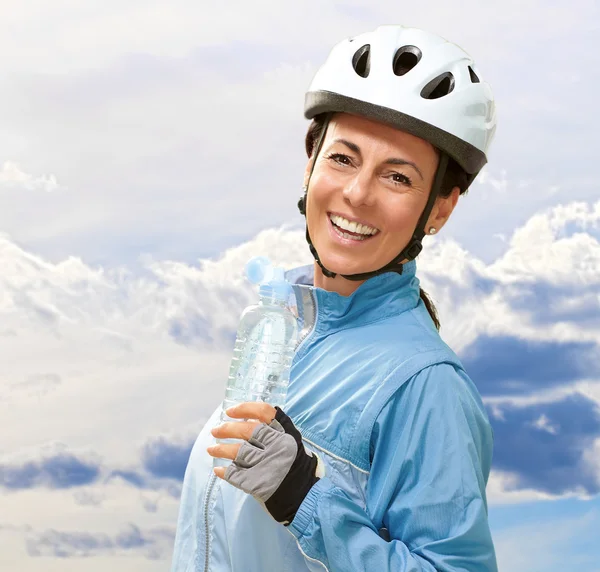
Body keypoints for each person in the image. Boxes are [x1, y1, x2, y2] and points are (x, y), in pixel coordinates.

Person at [171, 24, 498, 572]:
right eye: (343, 158)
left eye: (397, 176)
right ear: (311, 161)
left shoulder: (426, 386)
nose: (357, 194)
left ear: (440, 208)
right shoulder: (289, 326)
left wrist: (304, 498)